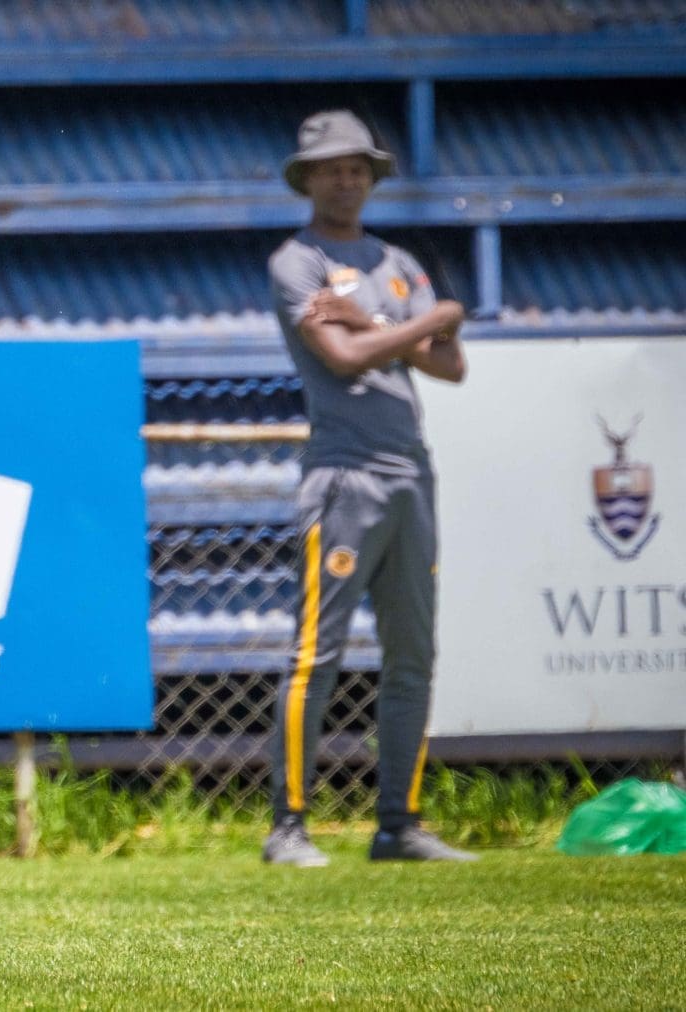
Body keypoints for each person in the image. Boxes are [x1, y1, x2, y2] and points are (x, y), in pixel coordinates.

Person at [262, 110, 478, 866]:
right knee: (316, 654)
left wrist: (376, 316)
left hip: (411, 473)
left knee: (413, 653)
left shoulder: (397, 259)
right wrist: (429, 318)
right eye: (331, 167)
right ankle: (287, 827)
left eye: (357, 166)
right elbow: (345, 355)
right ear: (308, 178)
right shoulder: (297, 261)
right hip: (343, 476)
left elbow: (451, 365)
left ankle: (400, 824)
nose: (346, 178)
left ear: (372, 176)